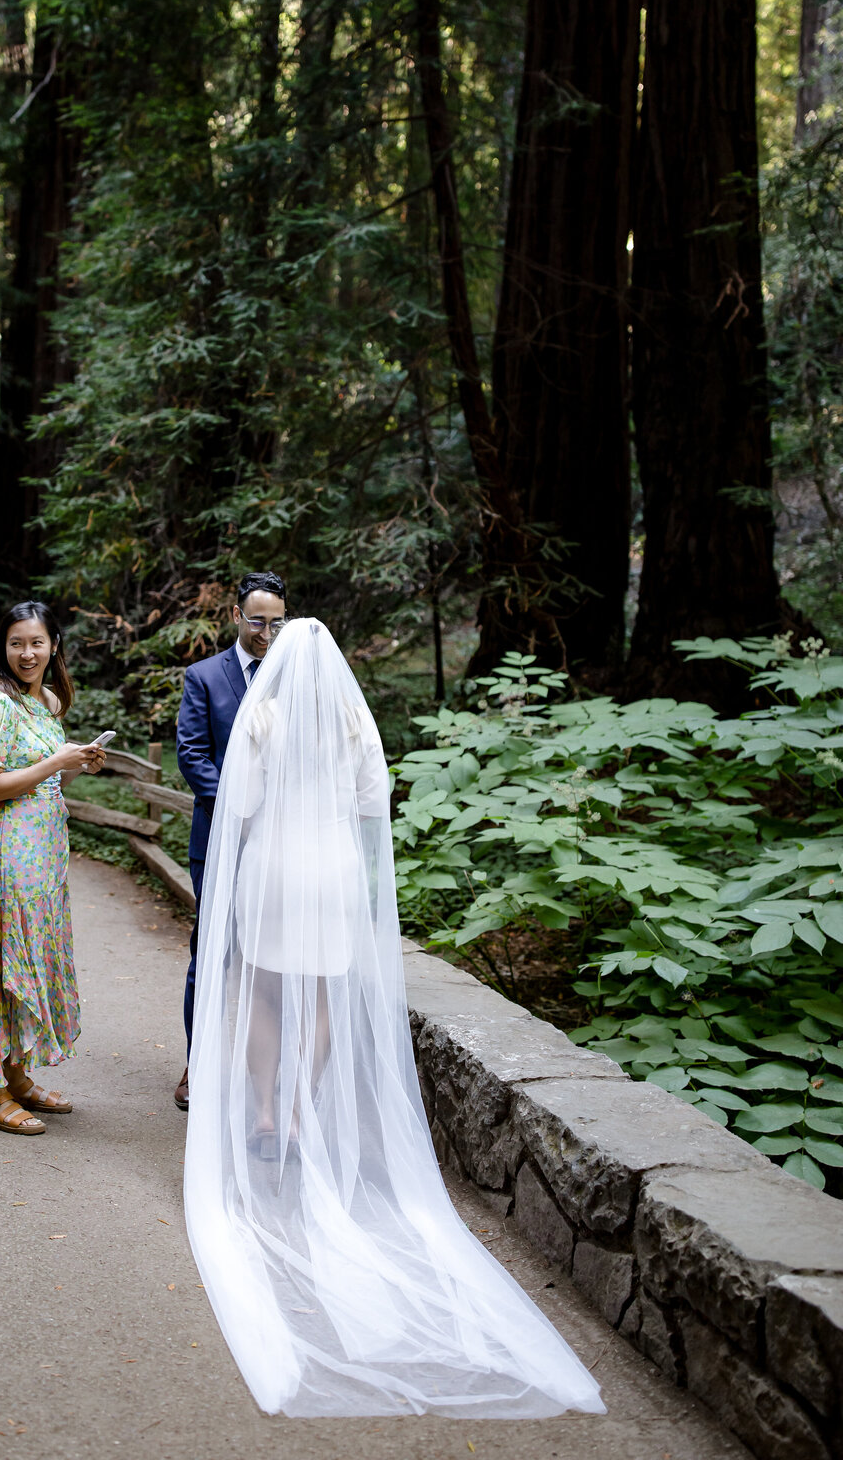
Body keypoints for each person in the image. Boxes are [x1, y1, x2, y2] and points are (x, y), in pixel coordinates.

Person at [183, 618, 605, 1420]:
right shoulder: (354, 723)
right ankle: (305, 1111)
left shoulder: (263, 720)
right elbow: (375, 813)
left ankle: (267, 1109)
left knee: (267, 995)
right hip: (334, 870)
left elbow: (239, 805)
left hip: (276, 864)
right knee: (325, 998)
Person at [0, 600, 107, 1135]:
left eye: (36, 642)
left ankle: (18, 1077)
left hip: (47, 851)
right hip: (10, 854)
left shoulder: (44, 700)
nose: (27, 652)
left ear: (54, 645)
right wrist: (57, 761)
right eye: (16, 642)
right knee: (8, 965)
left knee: (35, 958)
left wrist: (75, 764)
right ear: (3, 646)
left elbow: (43, 780)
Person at [173, 571, 287, 1109]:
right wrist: (245, 806)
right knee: (213, 954)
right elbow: (193, 755)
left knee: (271, 958)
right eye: (258, 620)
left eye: (276, 621)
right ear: (236, 617)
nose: (267, 631)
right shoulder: (204, 677)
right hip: (218, 837)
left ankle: (265, 1076)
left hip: (282, 846)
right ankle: (198, 1067)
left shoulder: (295, 677)